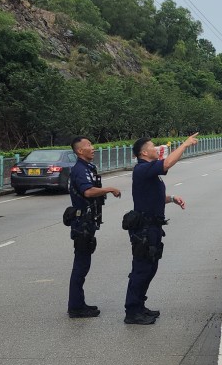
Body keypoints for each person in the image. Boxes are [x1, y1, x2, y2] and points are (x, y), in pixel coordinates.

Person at [124, 133, 199, 325]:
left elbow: (153, 196)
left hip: (153, 226)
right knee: (142, 268)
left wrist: (172, 198)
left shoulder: (148, 171)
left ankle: (139, 305)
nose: (156, 148)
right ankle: (132, 311)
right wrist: (185, 145)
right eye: (152, 146)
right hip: (144, 229)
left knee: (151, 267)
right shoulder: (142, 169)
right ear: (143, 152)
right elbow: (167, 164)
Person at [66, 136, 121, 318]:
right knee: (81, 265)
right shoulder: (80, 170)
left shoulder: (88, 168)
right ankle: (75, 307)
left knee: (83, 264)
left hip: (88, 223)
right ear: (80, 151)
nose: (93, 147)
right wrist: (109, 189)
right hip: (82, 224)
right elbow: (87, 191)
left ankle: (79, 303)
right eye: (89, 145)